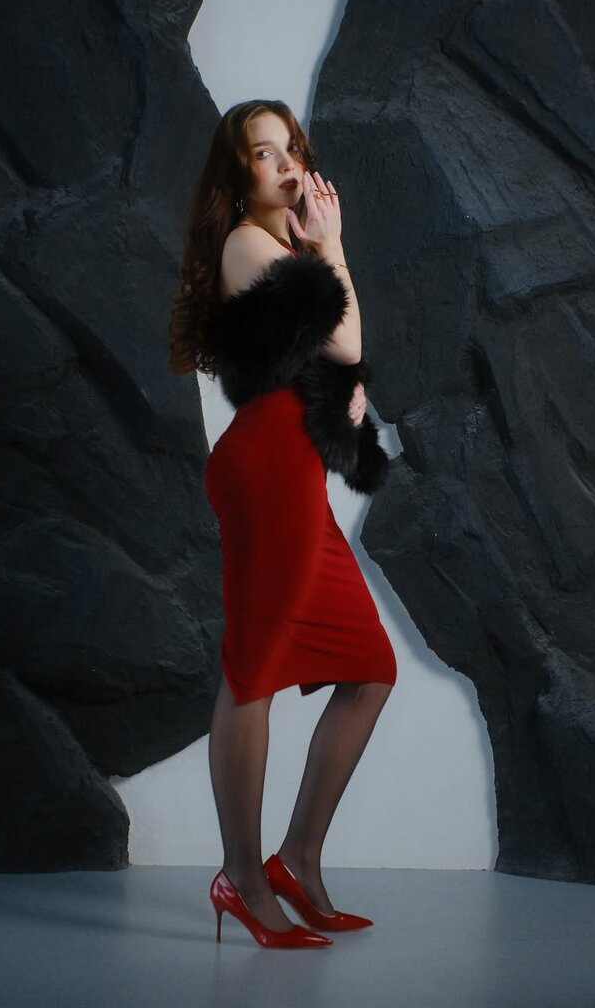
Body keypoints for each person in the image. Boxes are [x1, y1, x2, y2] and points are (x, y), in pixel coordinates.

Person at [169, 99, 397, 949]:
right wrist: (332, 248)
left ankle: (296, 859)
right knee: (254, 669)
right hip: (267, 466)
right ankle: (241, 875)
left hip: (294, 465)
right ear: (239, 176)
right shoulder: (245, 244)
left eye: (291, 146)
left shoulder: (291, 249)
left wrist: (340, 396)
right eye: (264, 154)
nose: (288, 164)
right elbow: (345, 346)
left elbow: (334, 352)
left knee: (369, 667)